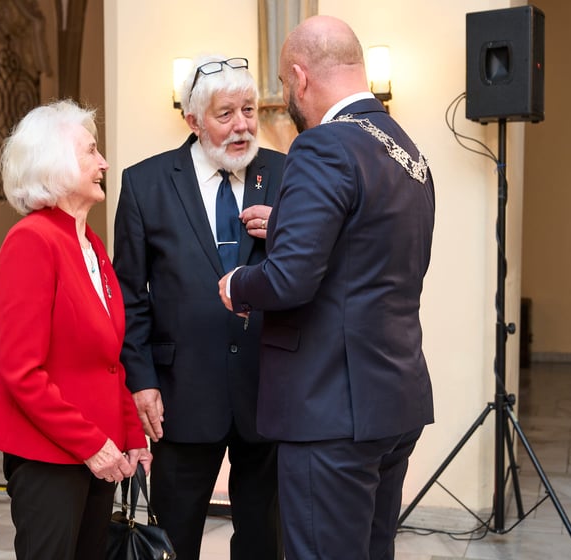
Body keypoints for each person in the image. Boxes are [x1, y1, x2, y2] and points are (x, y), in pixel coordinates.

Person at [219, 16, 435, 560]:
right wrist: (291, 220)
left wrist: (239, 283)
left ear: (299, 77)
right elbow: (371, 254)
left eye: (286, 87)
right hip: (392, 395)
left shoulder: (323, 147)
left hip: (329, 407)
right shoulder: (405, 150)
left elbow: (289, 280)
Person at [113, 55, 285, 560]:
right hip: (181, 392)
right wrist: (141, 380)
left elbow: (312, 268)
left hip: (268, 388)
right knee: (176, 538)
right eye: (226, 113)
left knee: (265, 539)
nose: (242, 126)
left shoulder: (283, 172)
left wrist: (285, 231)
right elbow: (129, 294)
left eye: (249, 110)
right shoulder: (145, 183)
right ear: (192, 120)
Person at [0, 99, 152, 560]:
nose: (104, 162)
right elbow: (21, 372)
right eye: (91, 151)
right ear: (53, 165)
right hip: (47, 457)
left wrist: (131, 435)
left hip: (96, 453)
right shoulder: (32, 241)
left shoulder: (89, 243)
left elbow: (107, 361)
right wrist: (93, 444)